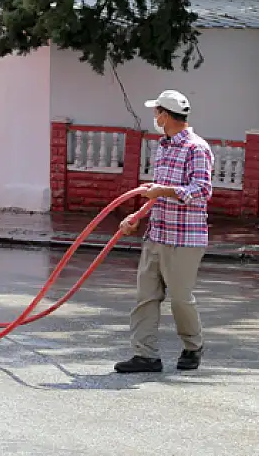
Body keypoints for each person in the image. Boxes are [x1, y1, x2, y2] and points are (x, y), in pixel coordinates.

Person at [115, 90, 213, 374]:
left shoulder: (197, 148)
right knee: (146, 297)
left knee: (181, 298)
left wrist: (164, 191)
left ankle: (193, 347)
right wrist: (136, 217)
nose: (155, 117)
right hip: (156, 234)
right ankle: (145, 355)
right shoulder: (164, 146)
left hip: (185, 239)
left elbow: (202, 190)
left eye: (156, 111)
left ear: (165, 115)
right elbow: (156, 195)